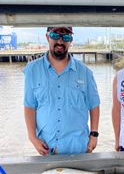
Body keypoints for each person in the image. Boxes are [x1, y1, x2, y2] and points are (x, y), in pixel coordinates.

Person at [24, 26, 100, 155]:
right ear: (47, 37)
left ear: (70, 41)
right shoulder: (32, 69)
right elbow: (29, 106)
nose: (60, 41)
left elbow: (94, 105)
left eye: (65, 37)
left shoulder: (86, 72)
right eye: (55, 36)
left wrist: (94, 135)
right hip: (46, 148)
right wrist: (32, 138)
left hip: (79, 147)